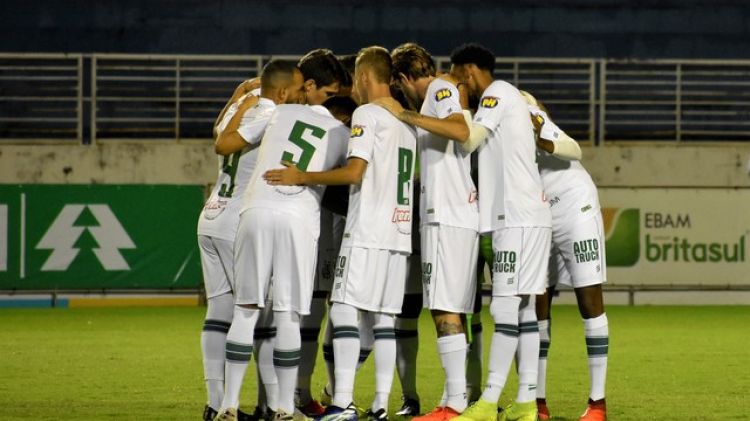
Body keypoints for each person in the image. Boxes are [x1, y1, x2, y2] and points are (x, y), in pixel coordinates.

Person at [263, 46, 417, 421]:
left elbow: (353, 173)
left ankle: (343, 402)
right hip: (398, 232)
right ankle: (381, 402)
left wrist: (303, 176)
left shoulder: (367, 113)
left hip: (366, 229)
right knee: (384, 319)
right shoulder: (409, 123)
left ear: (364, 76)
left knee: (345, 310)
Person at [215, 97, 350, 421]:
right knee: (288, 314)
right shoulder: (342, 132)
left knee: (245, 310)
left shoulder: (281, 111)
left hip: (255, 209)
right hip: (297, 217)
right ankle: (285, 409)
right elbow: (355, 174)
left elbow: (227, 141)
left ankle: (228, 406)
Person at [374, 42, 479, 421]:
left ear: (402, 78)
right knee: (453, 311)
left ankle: (454, 404)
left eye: (400, 88)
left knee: (444, 311)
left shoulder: (439, 88)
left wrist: (405, 115)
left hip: (447, 217)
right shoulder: (440, 93)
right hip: (453, 216)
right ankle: (458, 399)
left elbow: (460, 129)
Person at [197, 60, 304, 421]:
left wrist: (239, 93)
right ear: (285, 89)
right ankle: (273, 406)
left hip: (211, 215)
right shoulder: (270, 112)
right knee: (260, 313)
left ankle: (216, 404)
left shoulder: (247, 105)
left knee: (220, 312)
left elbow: (218, 130)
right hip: (237, 220)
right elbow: (223, 144)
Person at [520, 91, 608, 421]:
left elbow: (574, 149)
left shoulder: (533, 118)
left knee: (589, 298)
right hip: (538, 214)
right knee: (536, 304)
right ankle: (537, 402)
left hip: (574, 207)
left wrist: (543, 134)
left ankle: (597, 403)